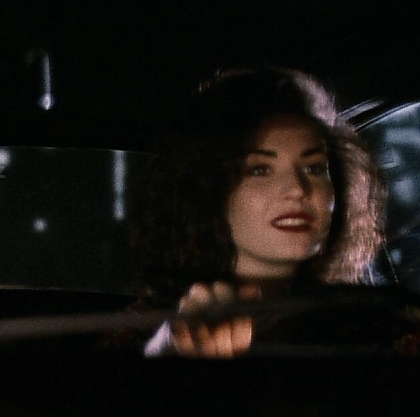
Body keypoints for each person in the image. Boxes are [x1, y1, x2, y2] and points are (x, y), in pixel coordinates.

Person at [130, 67, 386, 358]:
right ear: (208, 190)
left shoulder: (375, 328)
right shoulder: (142, 329)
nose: (297, 189)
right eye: (260, 170)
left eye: (314, 168)